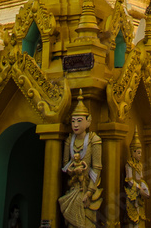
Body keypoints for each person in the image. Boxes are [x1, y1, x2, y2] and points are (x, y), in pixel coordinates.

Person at [59, 91, 103, 228]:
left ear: (88, 121)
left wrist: (89, 191)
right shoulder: (69, 141)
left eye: (79, 121)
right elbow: (65, 165)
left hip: (87, 187)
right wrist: (73, 169)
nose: (75, 125)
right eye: (73, 121)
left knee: (86, 221)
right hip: (73, 186)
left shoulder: (93, 140)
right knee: (71, 221)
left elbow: (97, 167)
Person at [124, 129, 150, 228]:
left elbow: (141, 178)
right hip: (132, 193)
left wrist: (144, 188)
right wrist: (138, 189)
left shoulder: (140, 165)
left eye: (141, 153)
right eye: (138, 153)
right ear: (133, 152)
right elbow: (129, 180)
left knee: (141, 217)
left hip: (140, 194)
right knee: (132, 218)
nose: (140, 155)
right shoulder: (129, 164)